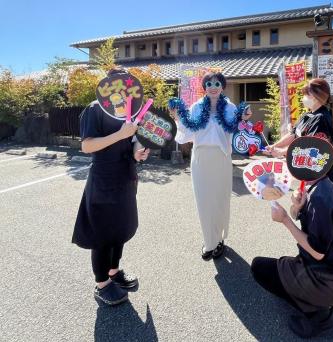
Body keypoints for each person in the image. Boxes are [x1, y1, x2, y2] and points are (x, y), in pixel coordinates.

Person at [72, 69, 150, 306]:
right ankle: (102, 283)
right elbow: (87, 146)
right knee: (103, 233)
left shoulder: (132, 109)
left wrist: (138, 151)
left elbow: (133, 138)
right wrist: (120, 134)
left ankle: (114, 272)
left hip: (126, 176)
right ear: (107, 83)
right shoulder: (94, 108)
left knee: (121, 229)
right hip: (103, 178)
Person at [250, 176, 333, 338]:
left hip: (322, 278)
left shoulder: (319, 199)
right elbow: (313, 226)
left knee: (259, 268)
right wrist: (298, 207)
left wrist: (285, 220)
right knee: (283, 262)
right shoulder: (324, 185)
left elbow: (317, 252)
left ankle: (318, 315)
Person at [169, 72, 251, 261]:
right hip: (201, 159)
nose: (213, 86)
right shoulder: (197, 107)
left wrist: (244, 118)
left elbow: (238, 131)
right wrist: (178, 117)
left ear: (222, 86)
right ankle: (209, 242)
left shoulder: (230, 108)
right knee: (204, 202)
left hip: (221, 158)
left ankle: (220, 238)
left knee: (221, 200)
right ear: (204, 87)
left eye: (217, 83)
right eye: (209, 83)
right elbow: (185, 135)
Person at [264, 78, 333, 186]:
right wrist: (274, 146)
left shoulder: (321, 118)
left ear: (313, 96)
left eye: (304, 95)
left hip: (320, 178)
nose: (302, 98)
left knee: (315, 201)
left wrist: (281, 152)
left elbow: (309, 147)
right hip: (307, 173)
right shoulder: (307, 115)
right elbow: (293, 134)